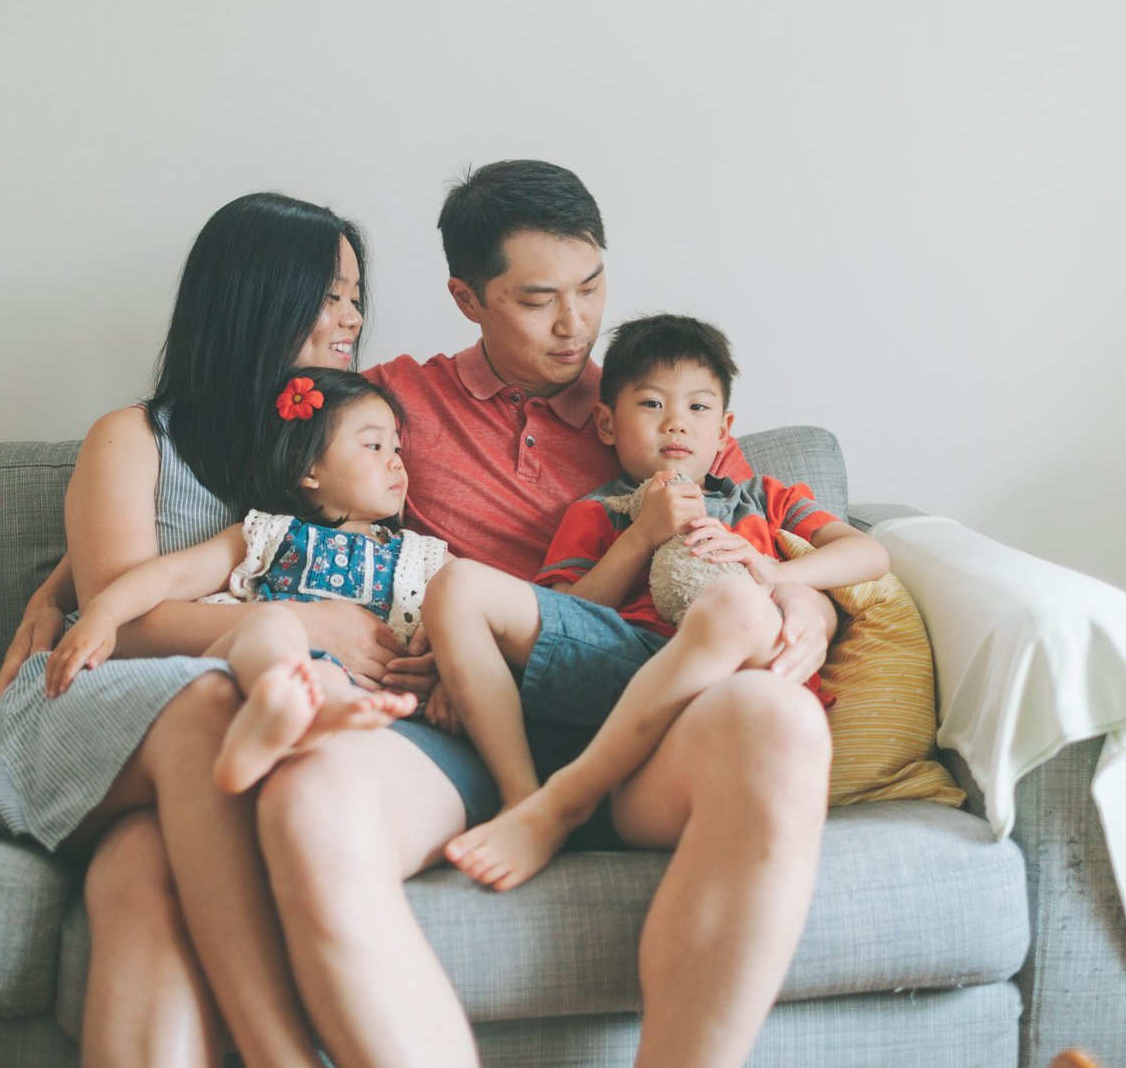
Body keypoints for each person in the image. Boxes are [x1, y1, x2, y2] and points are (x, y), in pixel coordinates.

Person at [251, 160, 848, 1068]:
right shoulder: (397, 401)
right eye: (537, 301)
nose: (577, 326)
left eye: (592, 286)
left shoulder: (650, 402)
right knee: (309, 805)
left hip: (654, 722)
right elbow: (241, 483)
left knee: (785, 724)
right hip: (469, 726)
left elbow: (760, 521)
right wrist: (74, 588)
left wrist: (804, 593)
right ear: (466, 297)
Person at [0, 191, 476, 1068]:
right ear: (253, 296)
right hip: (91, 697)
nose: (351, 318)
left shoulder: (337, 443)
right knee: (202, 709)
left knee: (139, 873)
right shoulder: (133, 438)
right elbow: (127, 619)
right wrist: (299, 620)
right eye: (328, 294)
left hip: (226, 725)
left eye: (355, 297)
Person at [422, 312, 891, 891]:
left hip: (736, 682)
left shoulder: (765, 498)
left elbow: (867, 554)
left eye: (698, 408)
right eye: (650, 405)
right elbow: (566, 611)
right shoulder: (598, 510)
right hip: (631, 664)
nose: (676, 424)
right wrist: (642, 534)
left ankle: (565, 801)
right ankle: (525, 801)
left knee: (735, 606)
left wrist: (773, 573)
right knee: (457, 584)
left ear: (725, 431)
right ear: (606, 424)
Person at [40, 368, 438, 795]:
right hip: (247, 677)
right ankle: (273, 708)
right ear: (309, 470)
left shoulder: (419, 555)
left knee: (326, 679)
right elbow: (171, 575)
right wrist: (103, 611)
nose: (396, 460)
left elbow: (469, 609)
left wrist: (443, 669)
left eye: (396, 447)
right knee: (271, 625)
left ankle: (310, 720)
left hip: (353, 692)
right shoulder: (271, 533)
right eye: (374, 446)